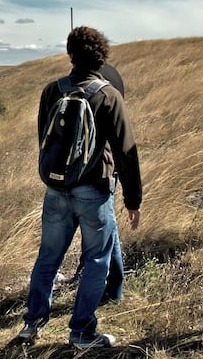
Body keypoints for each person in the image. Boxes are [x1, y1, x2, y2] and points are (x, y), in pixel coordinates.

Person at [19, 26, 142, 349]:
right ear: (103, 56)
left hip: (56, 188)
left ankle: (32, 323)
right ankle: (82, 332)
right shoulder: (108, 96)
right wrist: (133, 199)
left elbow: (46, 140)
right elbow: (126, 153)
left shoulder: (53, 91)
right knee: (96, 260)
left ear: (70, 54)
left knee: (48, 257)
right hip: (94, 191)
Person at [62, 62, 128, 304]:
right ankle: (105, 284)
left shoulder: (96, 84)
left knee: (105, 232)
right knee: (105, 230)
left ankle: (110, 288)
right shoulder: (112, 76)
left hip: (97, 170)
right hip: (101, 168)